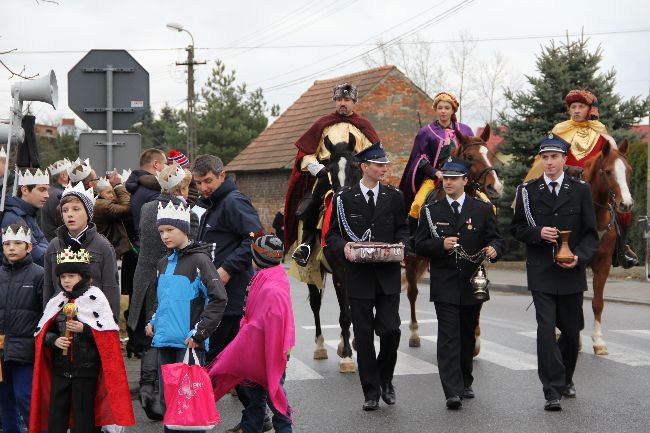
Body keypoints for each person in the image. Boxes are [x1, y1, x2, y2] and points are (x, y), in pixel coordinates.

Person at [510, 134, 599, 411]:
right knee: (546, 329)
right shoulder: (527, 191)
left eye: (554, 157)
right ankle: (551, 390)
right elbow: (516, 229)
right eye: (545, 157)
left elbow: (590, 235)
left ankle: (566, 378)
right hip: (542, 272)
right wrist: (537, 232)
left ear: (564, 159)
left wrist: (579, 258)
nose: (549, 162)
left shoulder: (580, 190)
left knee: (572, 334)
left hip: (571, 272)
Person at [414, 157, 505, 410]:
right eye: (446, 178)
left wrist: (494, 250)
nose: (449, 182)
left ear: (465, 181)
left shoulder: (482, 209)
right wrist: (439, 245)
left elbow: (497, 239)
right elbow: (418, 244)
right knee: (448, 336)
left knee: (466, 334)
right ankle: (451, 390)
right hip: (444, 283)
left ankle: (465, 380)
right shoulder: (430, 211)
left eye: (454, 178)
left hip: (473, 282)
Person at [325, 142, 409, 411]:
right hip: (358, 277)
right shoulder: (343, 199)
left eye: (385, 164)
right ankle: (370, 392)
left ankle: (386, 379)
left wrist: (402, 246)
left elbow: (403, 230)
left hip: (387, 276)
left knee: (392, 331)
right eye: (378, 164)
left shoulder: (394, 196)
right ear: (364, 167)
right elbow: (332, 236)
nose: (384, 168)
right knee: (363, 335)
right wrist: (344, 247)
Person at [524, 90, 636, 266]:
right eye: (573, 107)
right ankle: (546, 247)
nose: (576, 110)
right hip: (567, 183)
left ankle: (622, 248)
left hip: (597, 186)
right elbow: (549, 159)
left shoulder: (601, 133)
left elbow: (613, 160)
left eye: (581, 107)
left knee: (624, 213)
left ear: (589, 110)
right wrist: (570, 169)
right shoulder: (560, 131)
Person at [29, 247, 134, 433]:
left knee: (84, 416)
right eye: (63, 277)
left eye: (71, 276)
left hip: (86, 370)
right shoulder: (57, 301)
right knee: (56, 415)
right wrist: (54, 340)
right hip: (60, 369)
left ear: (83, 276)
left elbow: (107, 339)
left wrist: (84, 329)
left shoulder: (96, 299)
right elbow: (43, 332)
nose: (66, 281)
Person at [145, 201, 227, 433]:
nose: (165, 236)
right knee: (169, 403)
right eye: (161, 231)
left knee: (189, 404)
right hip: (164, 342)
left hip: (188, 343)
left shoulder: (200, 261)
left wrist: (200, 332)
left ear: (184, 229)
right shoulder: (163, 263)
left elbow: (218, 298)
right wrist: (153, 321)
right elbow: (162, 300)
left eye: (170, 230)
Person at [128, 164, 198, 421]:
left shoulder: (147, 207)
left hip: (143, 277)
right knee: (165, 335)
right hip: (168, 280)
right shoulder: (185, 212)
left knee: (151, 334)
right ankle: (157, 392)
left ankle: (147, 388)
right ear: (181, 187)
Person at [286, 82, 380, 265]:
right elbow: (307, 153)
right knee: (312, 201)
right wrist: (316, 168)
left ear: (354, 102)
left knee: (379, 203)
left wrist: (366, 169)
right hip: (328, 173)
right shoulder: (324, 124)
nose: (342, 103)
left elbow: (374, 154)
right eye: (339, 100)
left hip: (356, 175)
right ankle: (306, 244)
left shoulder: (363, 126)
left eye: (346, 99)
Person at [209, 234, 295, 433]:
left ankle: (284, 429)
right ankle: (252, 428)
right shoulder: (268, 278)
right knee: (255, 396)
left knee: (275, 395)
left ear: (257, 258)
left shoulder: (271, 288)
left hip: (268, 351)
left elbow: (271, 323)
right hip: (258, 350)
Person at [193, 155, 263, 362]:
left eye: (208, 181)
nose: (203, 188)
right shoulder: (210, 203)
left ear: (221, 176)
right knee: (220, 359)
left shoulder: (233, 201)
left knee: (223, 359)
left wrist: (227, 269)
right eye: (198, 183)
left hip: (231, 296)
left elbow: (255, 237)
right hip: (214, 294)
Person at [399, 91, 474, 242]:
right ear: (436, 109)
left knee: (486, 203)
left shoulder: (465, 130)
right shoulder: (426, 132)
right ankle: (413, 242)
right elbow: (418, 159)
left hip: (461, 179)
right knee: (417, 205)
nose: (443, 111)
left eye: (447, 108)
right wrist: (436, 173)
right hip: (434, 179)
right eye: (440, 108)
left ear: (453, 110)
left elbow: (473, 153)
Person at [42, 182, 120, 321]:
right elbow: (48, 287)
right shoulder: (54, 246)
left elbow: (111, 287)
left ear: (88, 213)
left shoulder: (102, 246)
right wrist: (48, 324)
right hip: (60, 320)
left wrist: (110, 323)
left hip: (92, 322)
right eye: (65, 210)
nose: (70, 214)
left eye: (76, 209)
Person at [0, 224, 44, 432]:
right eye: (7, 244)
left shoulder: (39, 275)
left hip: (26, 351)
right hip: (1, 352)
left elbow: (46, 311)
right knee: (4, 402)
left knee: (26, 398)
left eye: (17, 243)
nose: (11, 248)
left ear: (28, 247)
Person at [0, 168, 50, 266]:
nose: (47, 195)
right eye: (42, 190)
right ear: (25, 190)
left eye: (47, 190)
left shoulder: (28, 214)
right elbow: (37, 257)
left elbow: (45, 245)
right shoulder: (13, 218)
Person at [126, 148, 166, 242]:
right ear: (155, 164)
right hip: (152, 244)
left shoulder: (137, 186)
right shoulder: (153, 189)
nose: (166, 168)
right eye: (165, 164)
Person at [93, 171, 133, 261]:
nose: (112, 196)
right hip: (110, 248)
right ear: (100, 193)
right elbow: (128, 208)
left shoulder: (101, 203)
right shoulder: (104, 206)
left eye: (112, 192)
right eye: (108, 192)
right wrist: (118, 185)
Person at [41, 159, 71, 241]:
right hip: (58, 244)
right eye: (71, 173)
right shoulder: (60, 195)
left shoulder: (48, 192)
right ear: (64, 176)